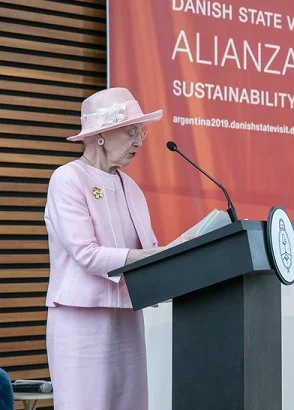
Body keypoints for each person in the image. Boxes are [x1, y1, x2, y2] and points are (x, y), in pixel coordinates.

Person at [44, 87, 192, 409]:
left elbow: (150, 252)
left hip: (126, 318)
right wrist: (153, 256)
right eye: (132, 131)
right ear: (101, 134)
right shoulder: (67, 179)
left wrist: (180, 257)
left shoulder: (133, 188)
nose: (140, 141)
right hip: (81, 321)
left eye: (142, 133)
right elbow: (86, 253)